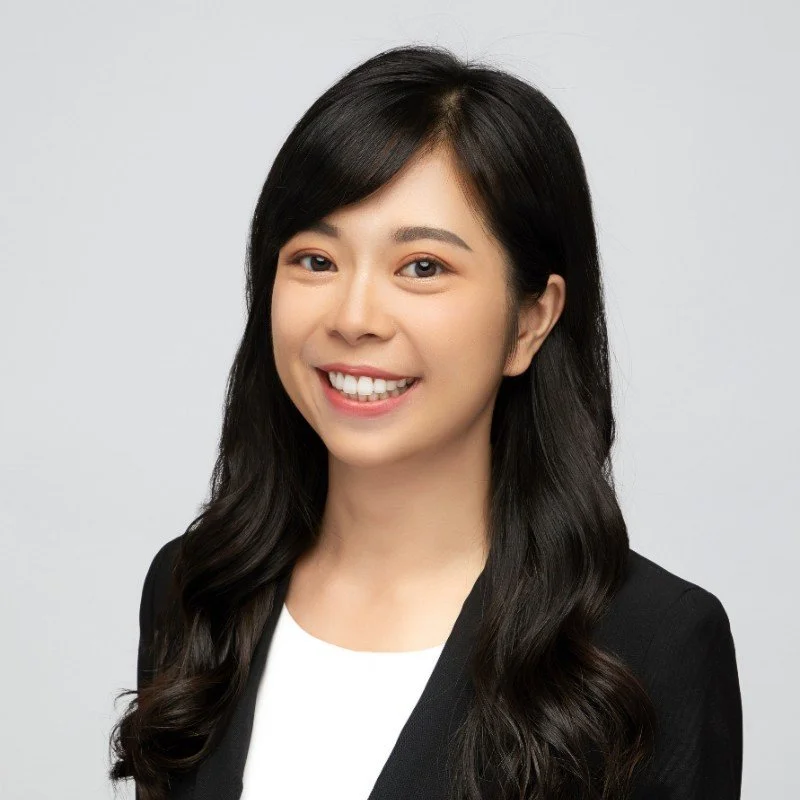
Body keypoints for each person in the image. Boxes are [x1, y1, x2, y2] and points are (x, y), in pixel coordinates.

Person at [109, 44, 742, 800]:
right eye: (315, 260)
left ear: (530, 321)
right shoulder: (197, 591)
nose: (353, 318)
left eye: (422, 267)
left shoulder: (651, 642)